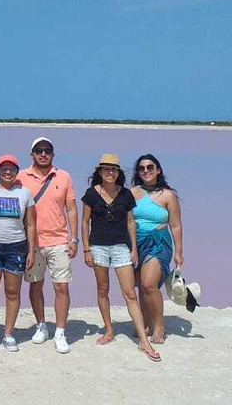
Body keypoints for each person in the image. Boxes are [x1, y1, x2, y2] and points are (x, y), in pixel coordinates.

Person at [81, 154, 161, 362]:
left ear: (119, 173)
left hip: (120, 247)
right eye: (106, 169)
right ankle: (109, 330)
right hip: (98, 247)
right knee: (102, 289)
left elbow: (130, 222)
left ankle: (144, 340)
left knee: (129, 293)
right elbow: (84, 222)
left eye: (113, 169)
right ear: (99, 172)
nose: (110, 173)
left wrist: (133, 248)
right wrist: (86, 249)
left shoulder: (125, 195)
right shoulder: (90, 194)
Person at [18, 137, 78, 354]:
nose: (43, 154)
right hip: (31, 242)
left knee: (61, 286)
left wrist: (74, 239)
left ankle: (60, 331)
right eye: (39, 150)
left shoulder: (64, 176)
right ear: (31, 154)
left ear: (53, 154)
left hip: (59, 240)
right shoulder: (20, 176)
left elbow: (71, 208)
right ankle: (41, 325)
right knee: (35, 285)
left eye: (47, 151)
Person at [0, 154, 36, 355]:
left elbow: (30, 224)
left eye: (11, 168)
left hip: (16, 247)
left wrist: (31, 250)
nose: (7, 172)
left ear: (17, 171)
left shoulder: (25, 193)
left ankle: (9, 334)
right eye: (3, 168)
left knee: (12, 292)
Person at [131, 154, 184, 344]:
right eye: (142, 168)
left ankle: (159, 325)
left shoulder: (168, 195)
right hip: (135, 243)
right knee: (139, 285)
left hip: (158, 242)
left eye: (150, 167)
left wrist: (179, 252)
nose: (146, 171)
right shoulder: (132, 192)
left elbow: (176, 225)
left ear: (158, 170)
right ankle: (145, 323)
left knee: (148, 284)